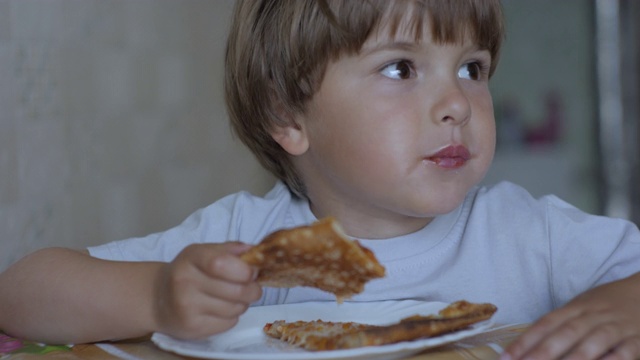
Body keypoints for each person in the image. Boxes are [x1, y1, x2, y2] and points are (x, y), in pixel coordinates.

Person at [1, 1, 639, 359]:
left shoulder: (531, 234)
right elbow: (20, 295)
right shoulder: (245, 242)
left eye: (472, 68)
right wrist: (161, 296)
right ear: (288, 117)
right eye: (400, 69)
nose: (457, 103)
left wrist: (616, 305)